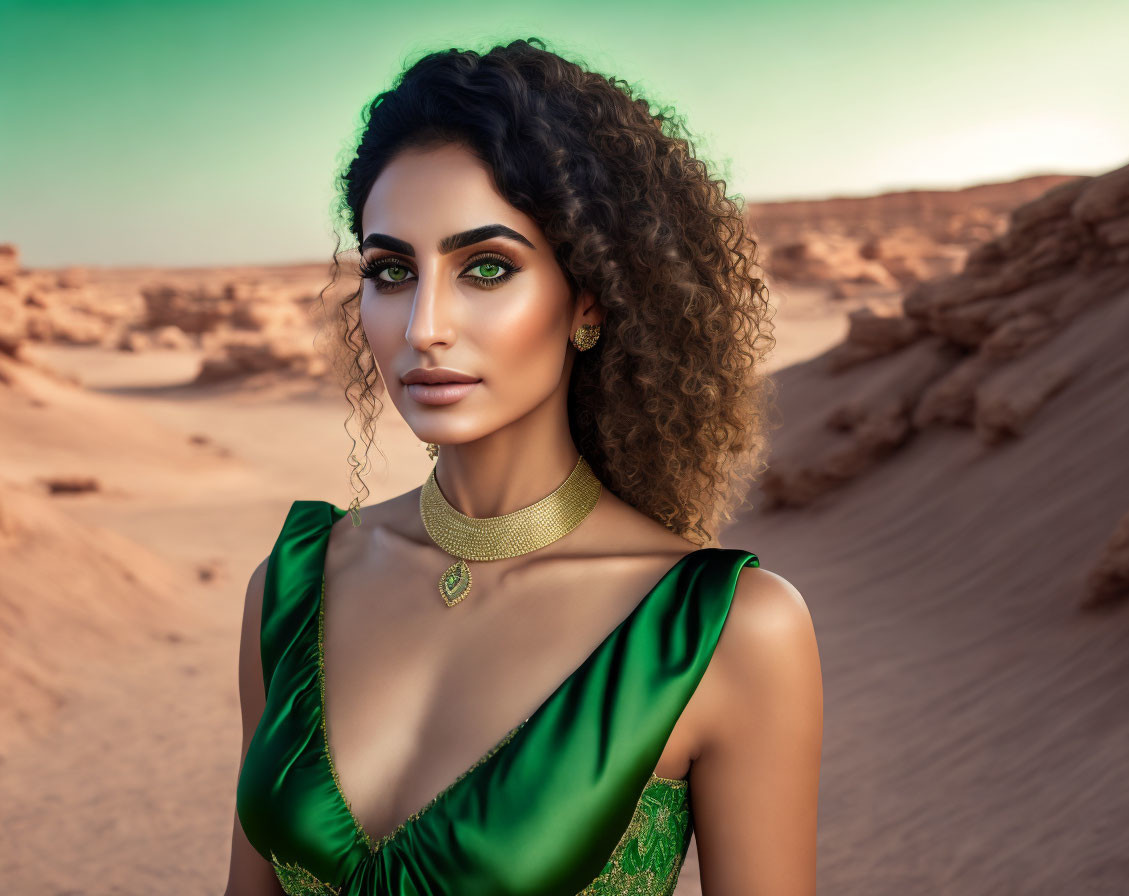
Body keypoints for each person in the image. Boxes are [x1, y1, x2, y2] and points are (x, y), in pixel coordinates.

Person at [224, 37, 822, 896]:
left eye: (487, 267)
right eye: (391, 271)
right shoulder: (291, 589)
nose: (423, 323)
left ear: (588, 297)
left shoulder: (727, 631)